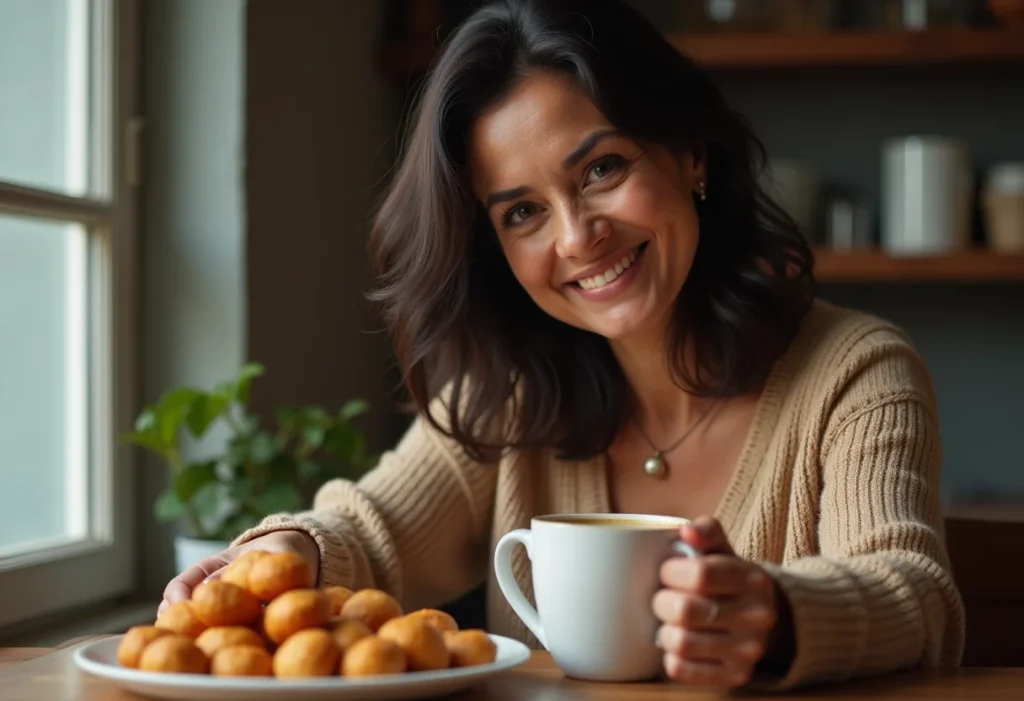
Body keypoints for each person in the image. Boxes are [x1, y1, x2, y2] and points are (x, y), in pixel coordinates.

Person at [161, 0, 964, 689]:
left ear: (689, 153)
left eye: (602, 168)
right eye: (522, 212)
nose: (578, 237)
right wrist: (288, 549)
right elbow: (374, 530)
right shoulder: (507, 389)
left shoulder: (857, 370)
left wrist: (779, 614)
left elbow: (913, 590)